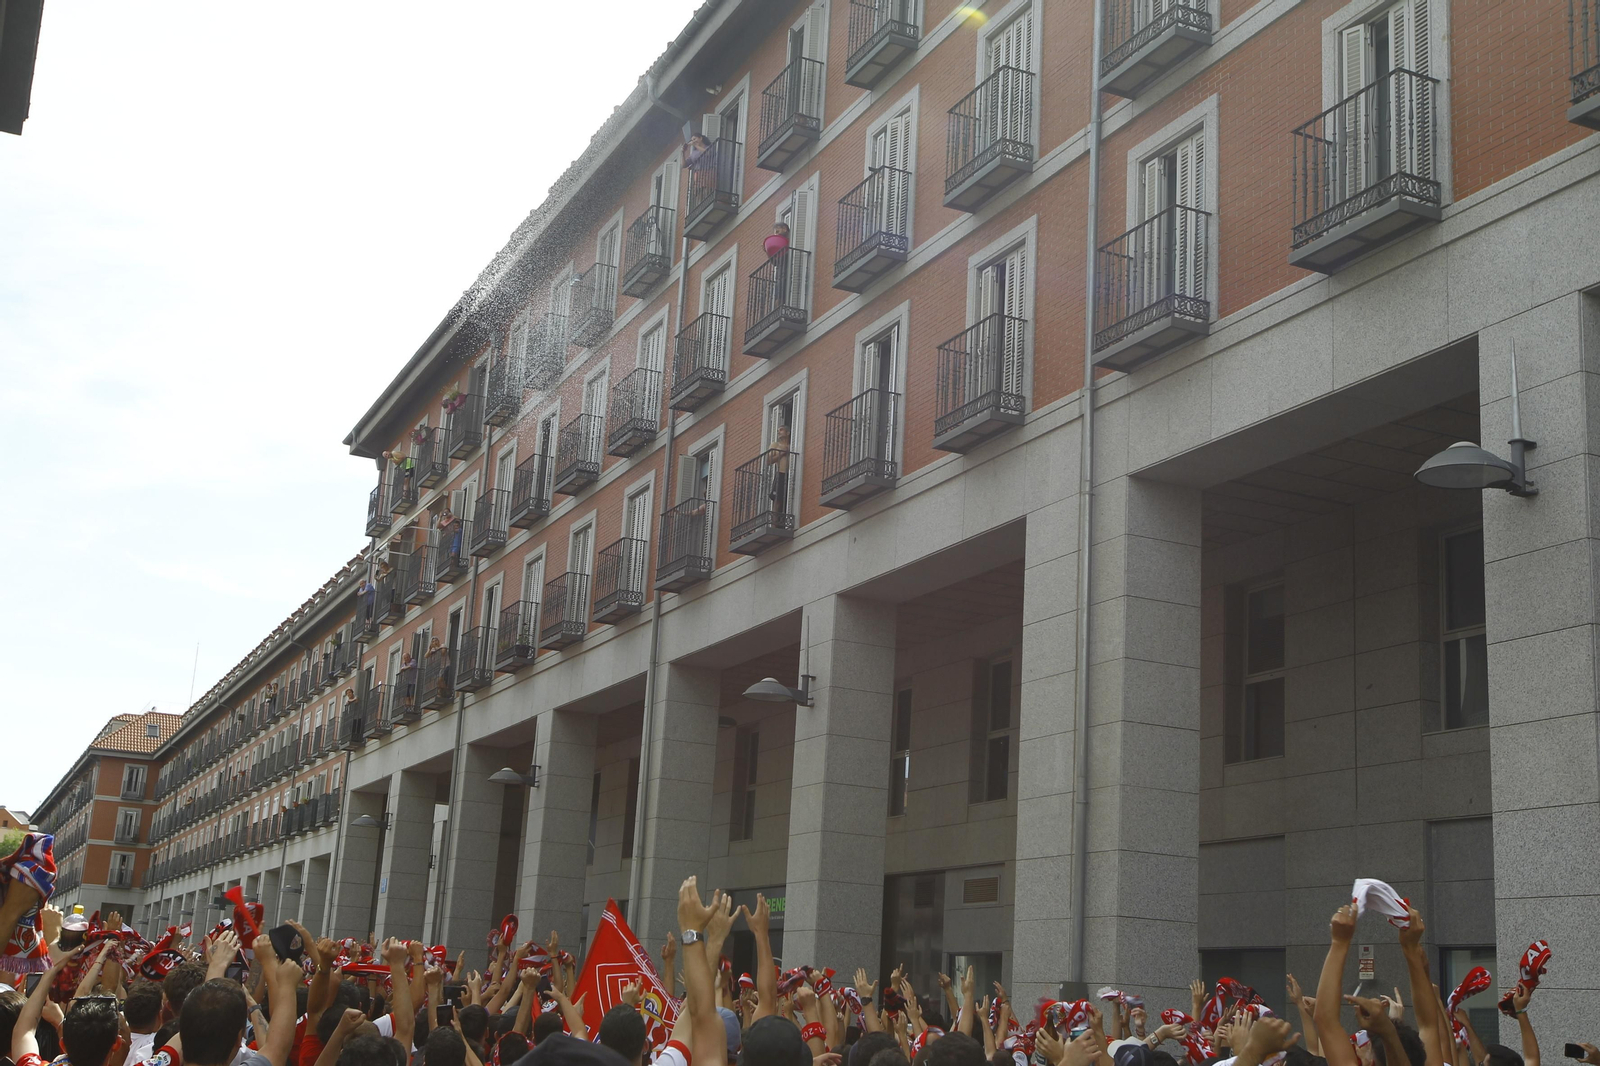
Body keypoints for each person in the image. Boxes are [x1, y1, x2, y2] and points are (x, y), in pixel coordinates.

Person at [768, 423, 792, 517]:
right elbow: (768, 461)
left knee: (786, 499)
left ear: (788, 432)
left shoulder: (793, 445)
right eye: (778, 430)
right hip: (781, 474)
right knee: (777, 500)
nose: (778, 431)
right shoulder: (775, 445)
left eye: (781, 430)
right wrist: (782, 454)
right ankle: (774, 524)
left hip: (791, 474)